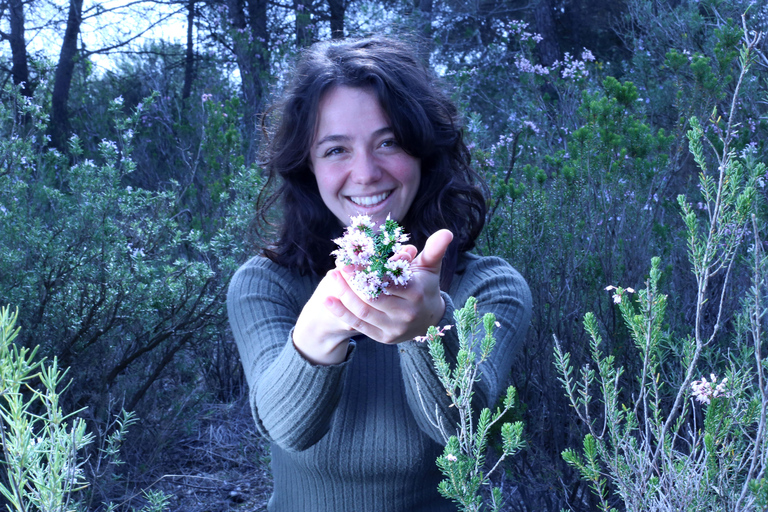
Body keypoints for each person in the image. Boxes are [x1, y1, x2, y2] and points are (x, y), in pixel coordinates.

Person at [227, 36, 532, 512]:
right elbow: (286, 428)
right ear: (307, 167)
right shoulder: (264, 284)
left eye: (388, 142)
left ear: (423, 151)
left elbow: (466, 434)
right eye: (335, 150)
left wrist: (428, 330)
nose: (366, 172)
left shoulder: (491, 288)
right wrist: (320, 328)